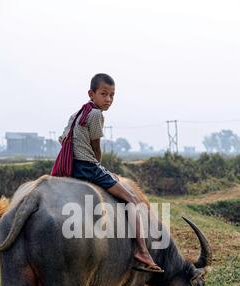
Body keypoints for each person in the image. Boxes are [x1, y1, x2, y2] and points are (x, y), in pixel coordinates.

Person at [52, 73, 163, 273]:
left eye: (112, 95)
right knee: (131, 199)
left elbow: (62, 140)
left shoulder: (76, 114)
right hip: (87, 166)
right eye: (104, 94)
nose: (109, 99)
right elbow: (96, 149)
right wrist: (96, 161)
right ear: (91, 94)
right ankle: (142, 251)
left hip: (71, 167)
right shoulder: (96, 115)